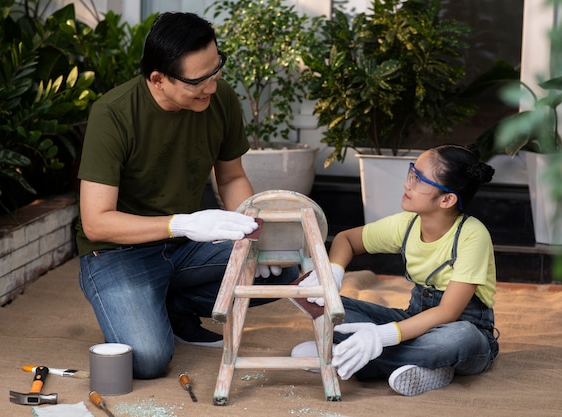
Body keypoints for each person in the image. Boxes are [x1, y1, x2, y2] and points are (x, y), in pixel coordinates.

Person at [76, 12, 297, 380]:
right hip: (120, 253)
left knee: (285, 266)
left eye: (216, 70)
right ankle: (149, 304)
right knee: (147, 359)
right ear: (158, 79)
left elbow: (231, 178)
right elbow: (96, 222)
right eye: (198, 80)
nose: (211, 87)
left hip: (188, 244)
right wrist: (182, 223)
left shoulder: (218, 98)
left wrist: (256, 233)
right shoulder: (113, 115)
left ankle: (174, 305)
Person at [294, 144, 498, 396]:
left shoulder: (472, 236)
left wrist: (381, 337)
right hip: (411, 323)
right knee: (310, 292)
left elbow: (448, 312)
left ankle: (340, 355)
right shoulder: (407, 225)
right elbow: (346, 240)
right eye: (411, 172)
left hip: (464, 333)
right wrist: (333, 274)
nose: (407, 184)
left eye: (419, 179)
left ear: (447, 199)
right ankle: (424, 366)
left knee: (459, 337)